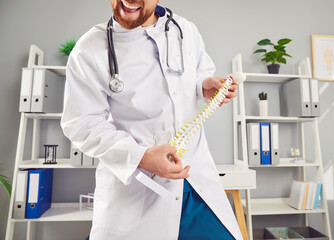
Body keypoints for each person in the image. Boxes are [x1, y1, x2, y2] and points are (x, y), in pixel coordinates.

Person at [61, 0, 242, 239]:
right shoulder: (89, 50)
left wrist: (203, 86)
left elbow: (198, 73)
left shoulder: (185, 30)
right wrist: (141, 157)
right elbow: (82, 123)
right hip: (138, 190)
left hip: (196, 184)